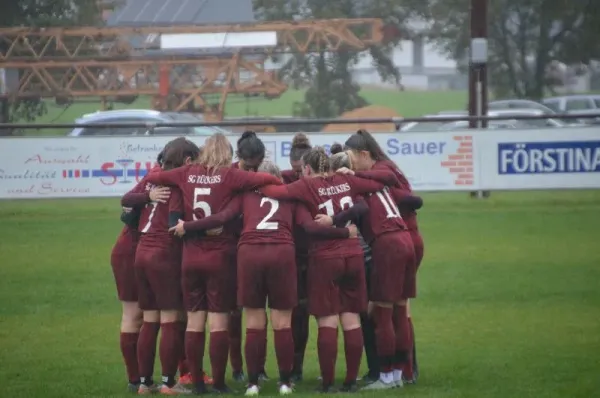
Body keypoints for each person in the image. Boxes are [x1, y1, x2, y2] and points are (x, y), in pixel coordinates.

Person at [171, 160, 358, 396]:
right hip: (282, 253)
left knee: (254, 324)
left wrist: (189, 225)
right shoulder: (291, 196)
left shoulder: (245, 195)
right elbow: (309, 226)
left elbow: (223, 216)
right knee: (282, 324)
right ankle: (284, 382)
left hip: (250, 254)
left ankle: (252, 383)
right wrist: (343, 232)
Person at [142, 133, 282, 394]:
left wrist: (155, 176)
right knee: (218, 322)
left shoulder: (186, 172)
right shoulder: (231, 176)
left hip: (190, 256)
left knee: (195, 322)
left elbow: (154, 176)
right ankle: (218, 382)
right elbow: (265, 178)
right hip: (220, 256)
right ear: (228, 154)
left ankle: (196, 382)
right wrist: (277, 181)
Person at [259, 146, 400, 392]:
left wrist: (248, 179)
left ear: (308, 168)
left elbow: (274, 191)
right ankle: (350, 382)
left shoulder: (305, 187)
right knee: (351, 317)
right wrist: (356, 177)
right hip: (353, 254)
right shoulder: (346, 179)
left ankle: (327, 383)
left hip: (325, 258)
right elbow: (380, 186)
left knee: (327, 320)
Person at [344, 129, 424, 386]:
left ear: (363, 154)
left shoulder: (373, 174)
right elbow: (413, 199)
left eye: (351, 160)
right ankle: (404, 372)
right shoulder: (381, 180)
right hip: (405, 240)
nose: (349, 165)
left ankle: (388, 375)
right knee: (400, 310)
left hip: (389, 245)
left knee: (382, 312)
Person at [121, 138, 200, 395]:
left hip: (142, 251)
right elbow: (177, 223)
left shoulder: (154, 176)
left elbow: (126, 198)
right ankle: (167, 383)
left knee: (150, 318)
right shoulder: (178, 182)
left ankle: (144, 383)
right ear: (188, 161)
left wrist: (147, 195)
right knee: (170, 319)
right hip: (163, 252)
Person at [111, 150, 171, 393]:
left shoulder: (160, 177)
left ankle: (145, 379)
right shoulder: (156, 177)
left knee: (156, 317)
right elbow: (126, 200)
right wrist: (148, 195)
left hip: (147, 252)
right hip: (131, 251)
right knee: (137, 315)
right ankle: (137, 379)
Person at [229, 131, 269, 383]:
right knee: (234, 314)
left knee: (258, 313)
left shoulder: (267, 177)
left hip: (258, 251)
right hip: (232, 251)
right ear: (238, 158)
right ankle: (236, 368)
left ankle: (259, 368)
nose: (252, 172)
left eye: (257, 166)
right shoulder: (228, 176)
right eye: (248, 166)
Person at [280, 133, 312, 381]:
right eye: (295, 170)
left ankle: (298, 366)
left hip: (313, 255)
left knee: (306, 312)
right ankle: (290, 366)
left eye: (302, 170)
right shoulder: (284, 180)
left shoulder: (320, 181)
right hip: (290, 255)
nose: (298, 174)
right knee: (291, 312)